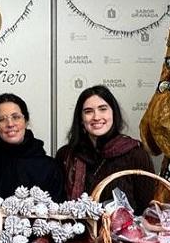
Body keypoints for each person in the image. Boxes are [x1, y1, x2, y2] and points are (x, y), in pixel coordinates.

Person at [56, 85, 155, 213]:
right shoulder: (66, 155)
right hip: (76, 231)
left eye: (103, 109)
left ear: (113, 113)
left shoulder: (135, 154)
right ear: (81, 119)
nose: (96, 117)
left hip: (122, 232)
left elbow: (146, 209)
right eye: (88, 111)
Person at [0, 93, 65, 202]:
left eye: (16, 117)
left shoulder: (49, 167)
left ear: (26, 121)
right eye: (2, 119)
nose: (10, 124)